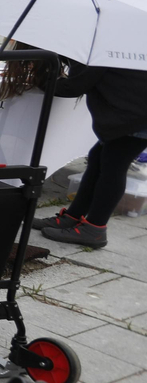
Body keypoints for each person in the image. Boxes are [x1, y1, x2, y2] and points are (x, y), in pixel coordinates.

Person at [37, 61, 147, 250]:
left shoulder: (97, 49)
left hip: (135, 116)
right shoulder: (109, 42)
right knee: (98, 158)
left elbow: (75, 86)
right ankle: (73, 217)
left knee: (113, 165)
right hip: (133, 112)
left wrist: (41, 82)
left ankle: (95, 228)